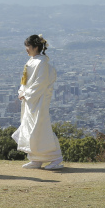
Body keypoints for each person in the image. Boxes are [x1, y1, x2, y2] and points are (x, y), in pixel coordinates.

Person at [12, 34, 63, 170]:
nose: (26, 49)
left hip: (38, 99)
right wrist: (22, 92)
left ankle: (56, 158)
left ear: (35, 47)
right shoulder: (32, 61)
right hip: (30, 100)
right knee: (30, 127)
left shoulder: (41, 63)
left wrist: (26, 93)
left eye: (28, 46)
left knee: (41, 126)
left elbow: (41, 82)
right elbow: (26, 81)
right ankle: (36, 158)